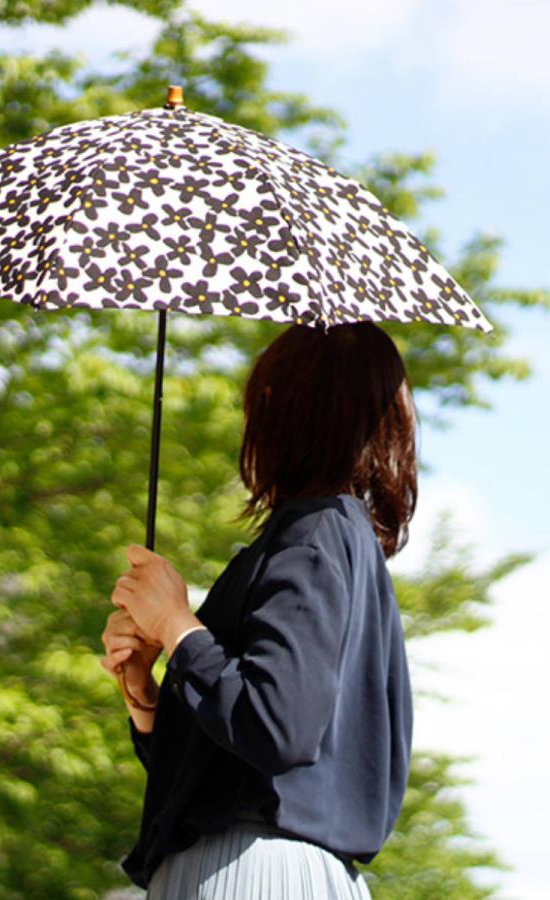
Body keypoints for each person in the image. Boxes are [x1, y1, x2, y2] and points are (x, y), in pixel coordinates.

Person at [100, 321, 416, 899]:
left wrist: (177, 624)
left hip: (252, 872)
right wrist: (146, 697)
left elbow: (276, 727)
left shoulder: (314, 537)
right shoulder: (332, 542)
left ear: (284, 409)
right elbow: (237, 767)